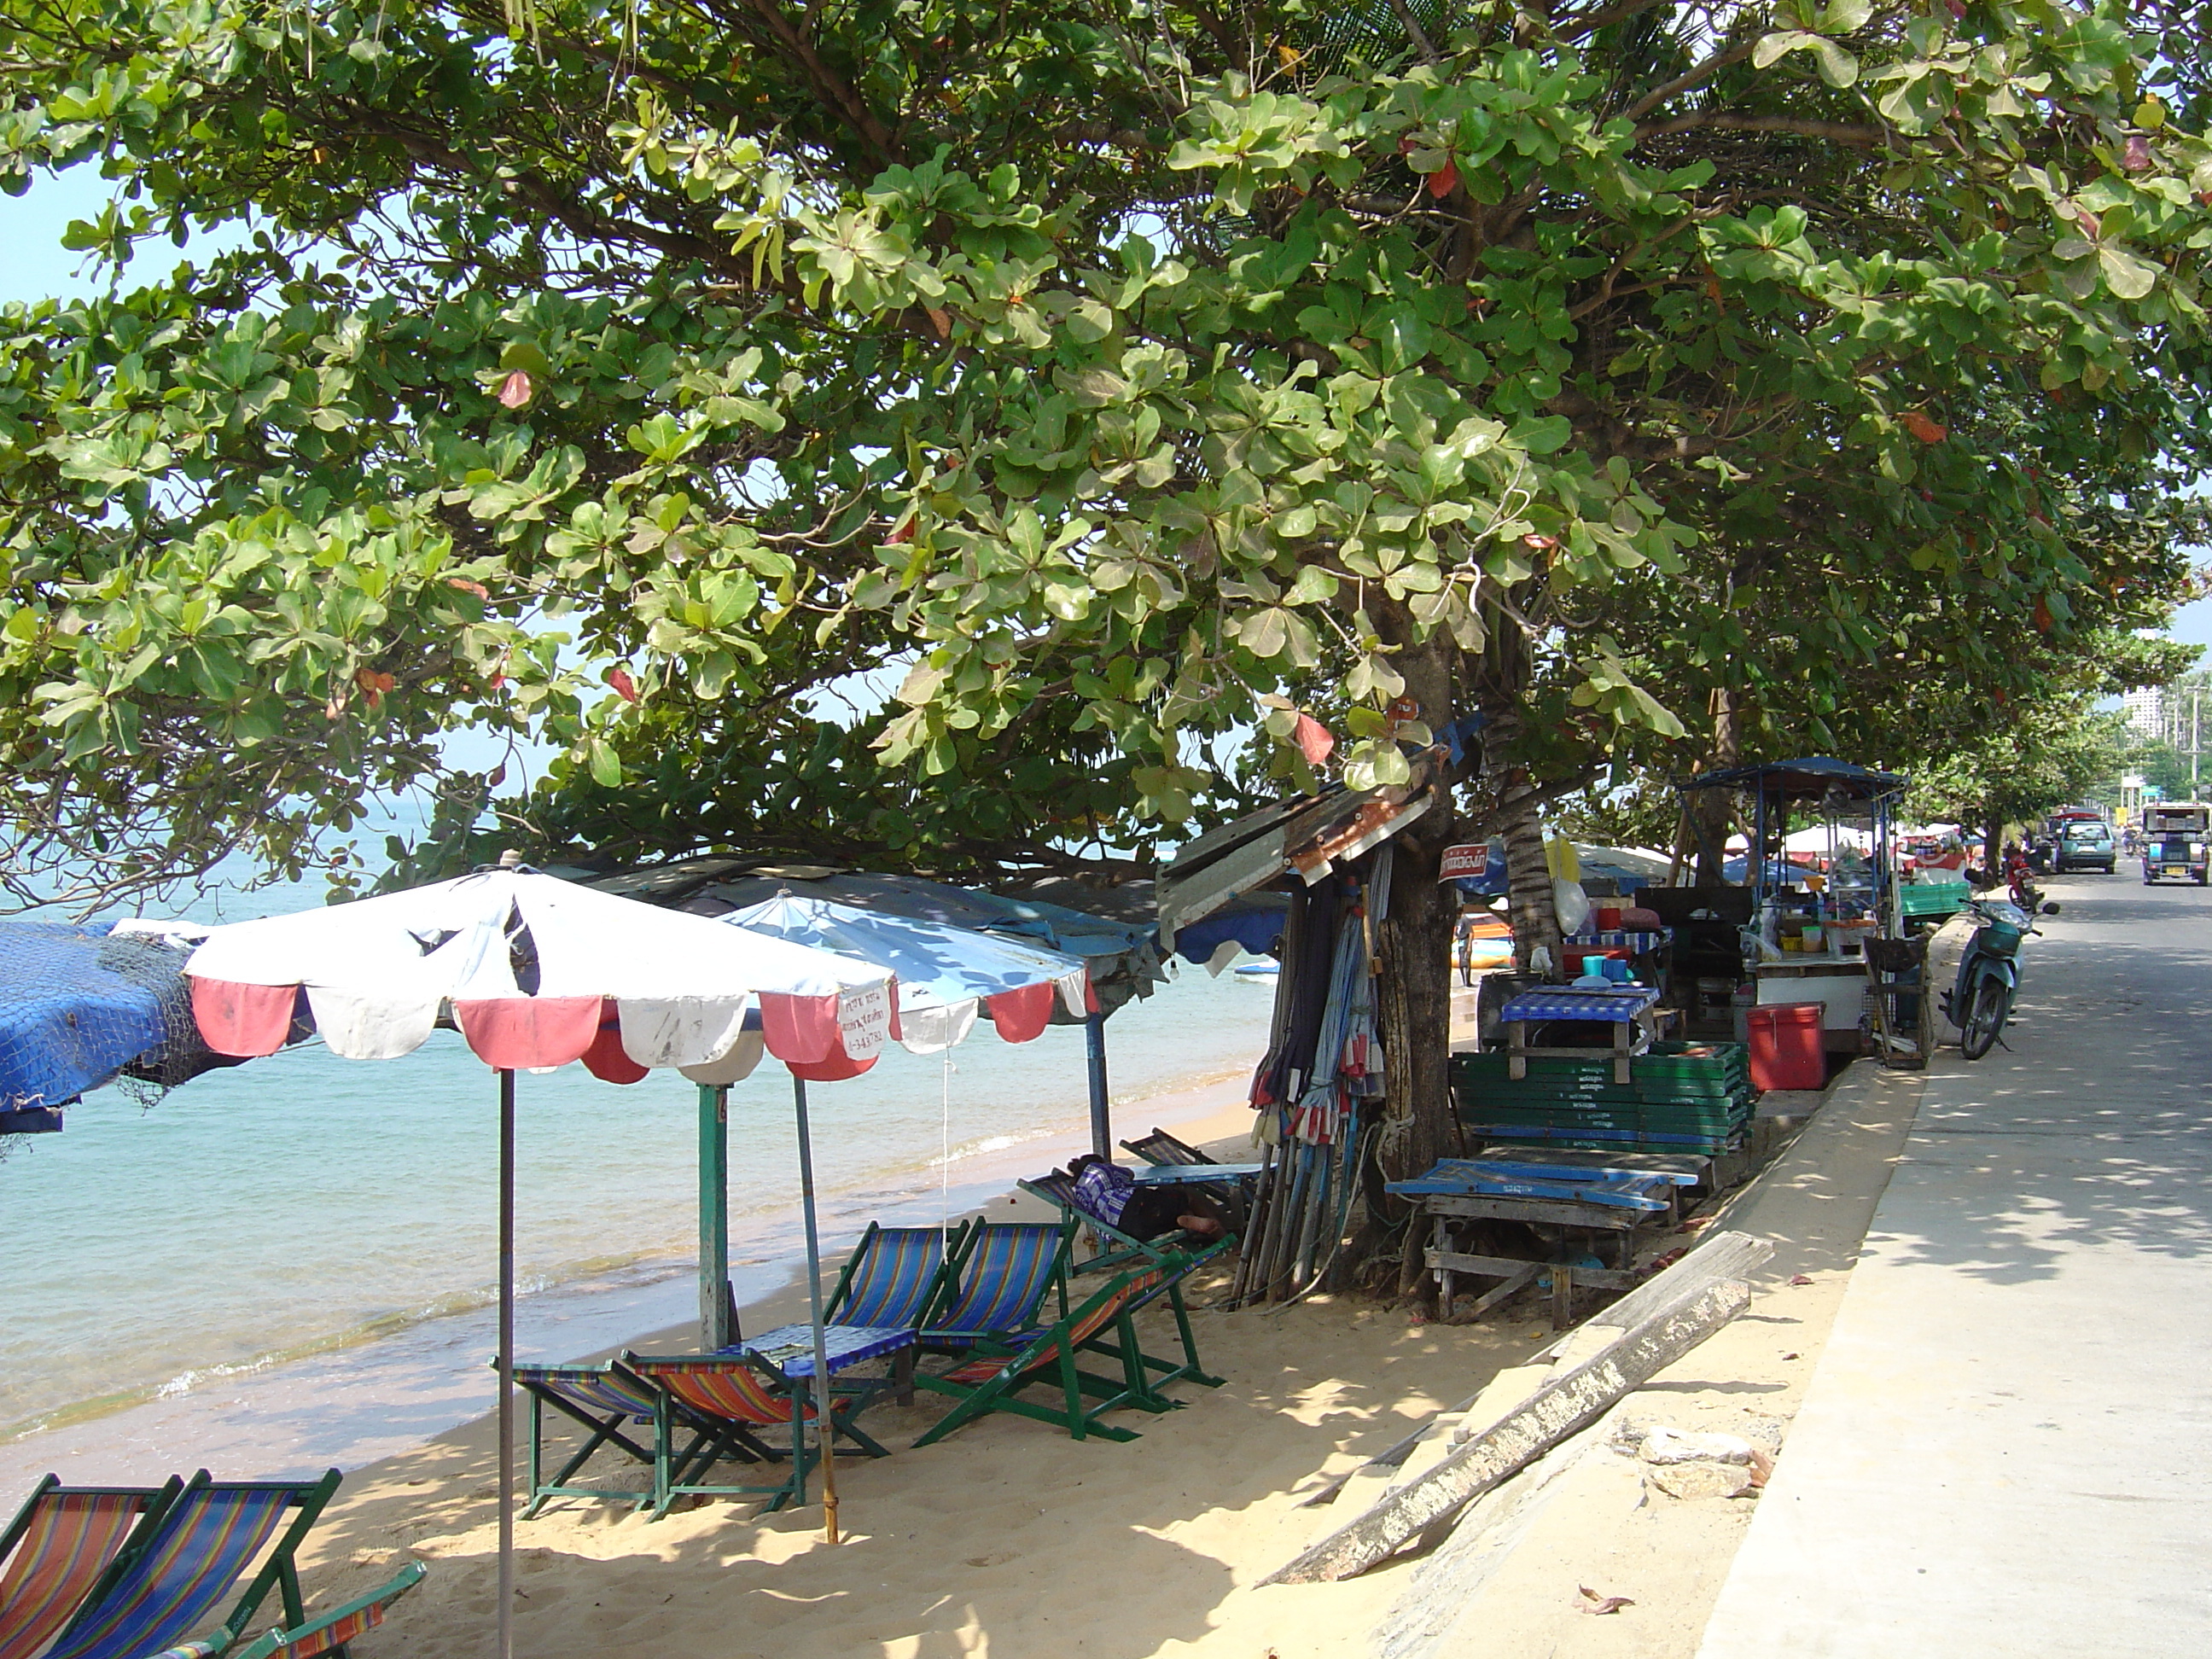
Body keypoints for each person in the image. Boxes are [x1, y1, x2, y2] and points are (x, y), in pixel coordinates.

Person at [1064, 1154, 1225, 1243]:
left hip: (1127, 1228)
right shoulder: (1097, 1169)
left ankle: (1183, 1220)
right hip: (1136, 1203)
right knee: (1186, 1195)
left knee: (1163, 1209)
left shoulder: (1078, 1192)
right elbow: (1129, 1174)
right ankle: (1224, 1237)